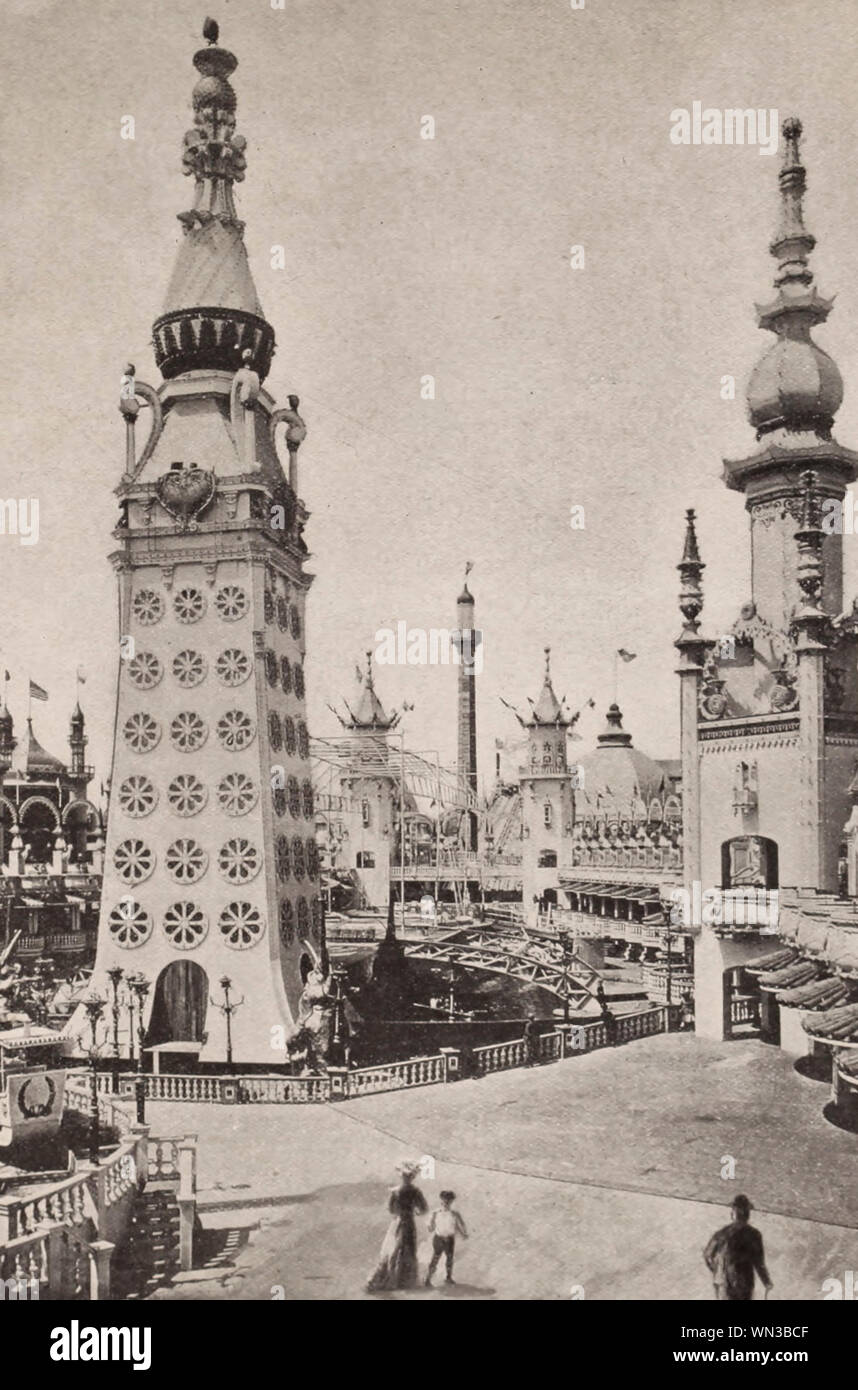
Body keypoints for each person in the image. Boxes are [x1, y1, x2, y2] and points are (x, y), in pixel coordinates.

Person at [366, 1161, 428, 1292]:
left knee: (394, 1249)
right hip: (408, 1222)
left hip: (398, 1221)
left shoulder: (395, 1191)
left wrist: (399, 1213)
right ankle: (403, 1280)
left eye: (407, 1176)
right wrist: (414, 1211)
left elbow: (391, 1209)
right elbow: (423, 1209)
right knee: (404, 1248)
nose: (406, 1178)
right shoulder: (415, 1191)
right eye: (407, 1176)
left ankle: (394, 1279)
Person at [703, 1195, 773, 1301]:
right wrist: (766, 1281)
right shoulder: (754, 1234)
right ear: (747, 1214)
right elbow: (759, 1262)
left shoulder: (721, 1233)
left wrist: (717, 1270)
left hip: (722, 1282)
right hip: (743, 1283)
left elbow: (707, 1256)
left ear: (733, 1213)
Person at [424, 1191, 468, 1286]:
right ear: (441, 1200)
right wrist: (430, 1224)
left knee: (449, 1258)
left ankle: (448, 1278)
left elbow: (457, 1226)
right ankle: (428, 1279)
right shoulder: (435, 1213)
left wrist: (463, 1234)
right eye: (445, 1200)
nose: (446, 1202)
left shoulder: (454, 1214)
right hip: (439, 1238)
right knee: (435, 1258)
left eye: (449, 1200)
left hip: (449, 1239)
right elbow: (430, 1228)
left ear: (451, 1201)